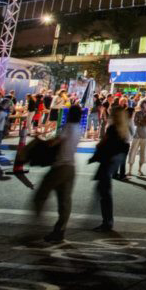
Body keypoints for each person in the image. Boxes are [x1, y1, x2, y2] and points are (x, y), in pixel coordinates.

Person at [33, 103, 82, 243]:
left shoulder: (68, 127)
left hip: (60, 166)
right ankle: (60, 231)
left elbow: (54, 142)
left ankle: (38, 225)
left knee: (41, 194)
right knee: (65, 201)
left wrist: (40, 139)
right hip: (71, 167)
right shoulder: (78, 128)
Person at [89, 103, 130, 232]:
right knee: (105, 192)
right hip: (113, 163)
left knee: (104, 193)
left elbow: (102, 144)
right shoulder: (123, 129)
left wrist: (98, 149)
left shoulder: (112, 128)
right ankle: (106, 221)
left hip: (107, 163)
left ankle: (107, 222)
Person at [127, 100, 146, 176]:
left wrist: (140, 122)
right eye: (141, 107)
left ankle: (140, 170)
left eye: (144, 107)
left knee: (143, 153)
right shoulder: (138, 113)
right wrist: (143, 122)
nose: (142, 108)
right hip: (137, 135)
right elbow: (135, 122)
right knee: (132, 152)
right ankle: (130, 170)